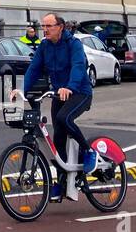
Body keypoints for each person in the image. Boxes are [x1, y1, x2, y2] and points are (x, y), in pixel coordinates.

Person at [12, 13, 96, 199]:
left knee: (63, 118)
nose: (45, 29)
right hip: (59, 93)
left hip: (79, 92)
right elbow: (34, 68)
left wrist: (70, 87)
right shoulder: (44, 46)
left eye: (49, 26)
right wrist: (21, 90)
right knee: (57, 139)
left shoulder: (73, 44)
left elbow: (78, 67)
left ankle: (89, 151)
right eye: (43, 26)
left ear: (60, 27)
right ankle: (62, 182)